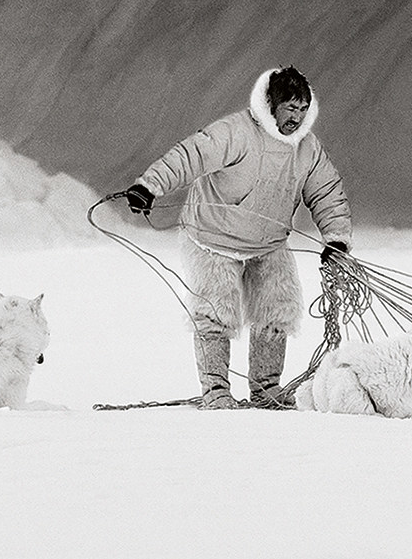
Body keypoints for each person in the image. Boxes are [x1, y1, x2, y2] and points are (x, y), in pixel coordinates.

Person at [121, 66, 352, 409]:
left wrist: (335, 238)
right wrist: (148, 186)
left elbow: (326, 191)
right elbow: (190, 156)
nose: (296, 118)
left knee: (277, 310)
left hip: (269, 243)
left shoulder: (308, 147)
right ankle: (216, 391)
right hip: (211, 239)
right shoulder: (233, 132)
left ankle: (266, 389)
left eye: (303, 110)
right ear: (271, 105)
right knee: (216, 313)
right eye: (290, 108)